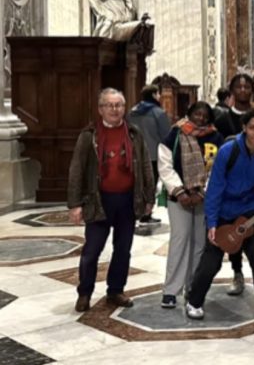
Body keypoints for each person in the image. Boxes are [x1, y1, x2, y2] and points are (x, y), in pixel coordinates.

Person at [67, 88, 155, 312]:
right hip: (98, 200)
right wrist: (75, 204)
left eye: (119, 105)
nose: (114, 109)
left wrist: (149, 197)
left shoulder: (133, 133)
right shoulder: (89, 136)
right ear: (100, 109)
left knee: (123, 249)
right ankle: (84, 293)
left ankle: (115, 290)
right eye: (109, 105)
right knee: (91, 251)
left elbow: (146, 165)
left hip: (127, 200)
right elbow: (76, 169)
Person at [185, 108, 254, 320]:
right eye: (252, 128)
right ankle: (194, 301)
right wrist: (212, 222)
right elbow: (215, 189)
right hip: (223, 212)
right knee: (212, 261)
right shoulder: (228, 151)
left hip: (249, 214)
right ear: (244, 128)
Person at [157, 101, 223, 308]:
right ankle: (171, 290)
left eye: (205, 115)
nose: (201, 118)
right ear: (189, 114)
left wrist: (202, 192)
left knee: (199, 244)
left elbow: (218, 169)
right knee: (180, 240)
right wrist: (180, 191)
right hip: (179, 199)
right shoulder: (175, 134)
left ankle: (193, 287)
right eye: (197, 114)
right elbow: (165, 165)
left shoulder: (216, 137)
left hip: (204, 198)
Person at [213, 73, 254, 295]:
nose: (243, 90)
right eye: (238, 87)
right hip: (230, 185)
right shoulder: (222, 119)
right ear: (231, 91)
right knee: (232, 231)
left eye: (247, 87)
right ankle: (237, 272)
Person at [127, 84, 171, 224]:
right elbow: (166, 135)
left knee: (134, 183)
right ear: (153, 95)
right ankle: (146, 214)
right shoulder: (158, 113)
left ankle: (133, 211)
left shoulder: (132, 111)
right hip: (153, 153)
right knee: (150, 184)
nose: (159, 96)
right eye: (158, 94)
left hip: (133, 153)